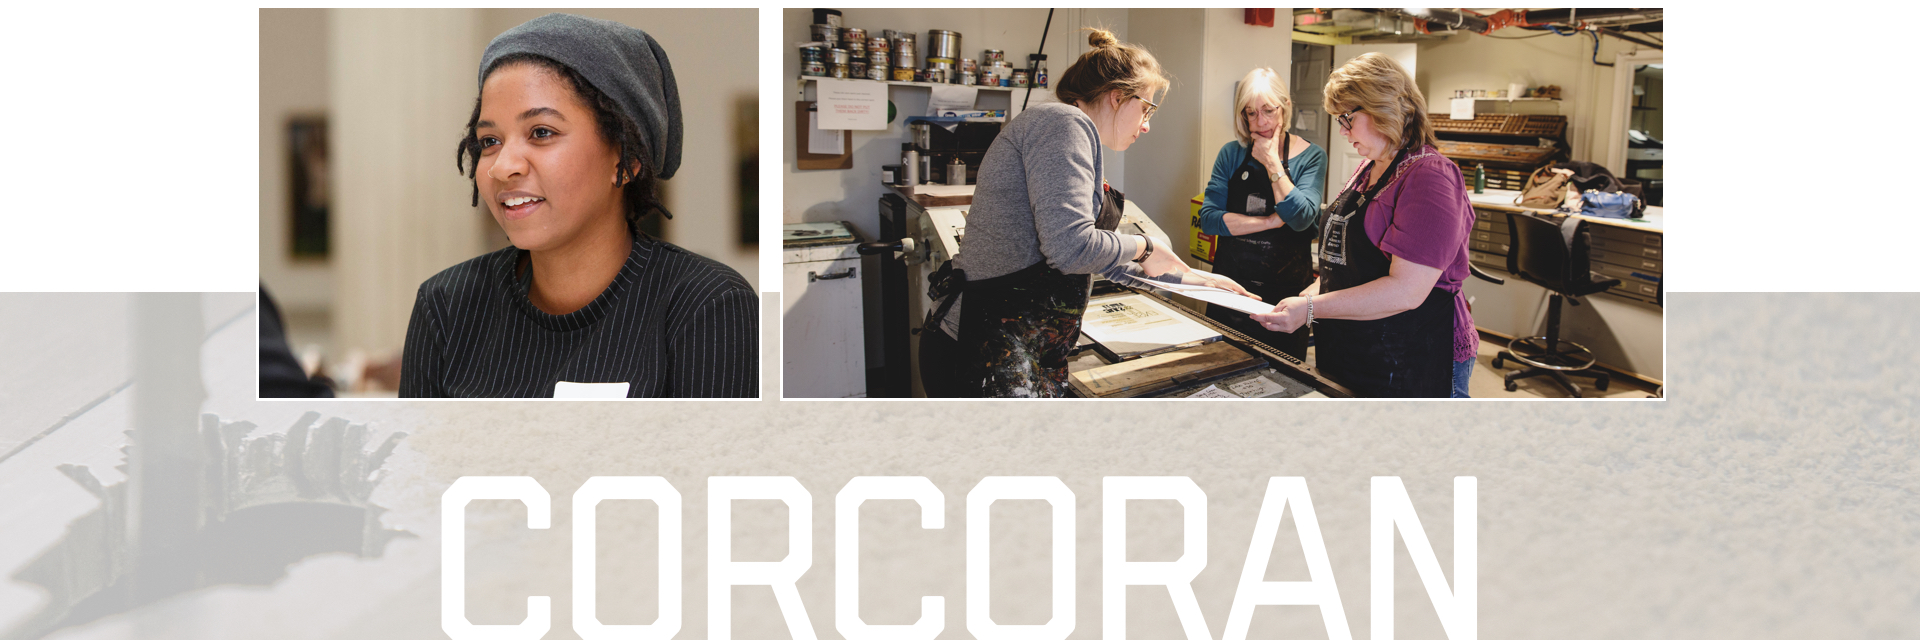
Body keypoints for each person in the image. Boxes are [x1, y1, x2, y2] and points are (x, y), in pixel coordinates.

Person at [400, 13, 757, 398]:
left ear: (625, 160)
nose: (502, 167)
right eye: (490, 141)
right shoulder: (446, 306)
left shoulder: (707, 306)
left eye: (541, 132)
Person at [917, 28, 1253, 398]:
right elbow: (1071, 247)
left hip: (1015, 348)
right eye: (1146, 108)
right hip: (979, 349)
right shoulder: (1062, 123)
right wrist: (1145, 247)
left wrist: (1189, 280)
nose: (1147, 124)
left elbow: (1093, 258)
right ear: (1117, 97)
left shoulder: (1071, 134)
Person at [1250, 53, 1475, 398]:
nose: (1342, 131)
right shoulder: (1369, 168)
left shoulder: (1429, 176)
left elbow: (1406, 290)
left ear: (1383, 107)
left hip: (1414, 354)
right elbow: (1346, 268)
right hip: (1358, 347)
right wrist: (1302, 299)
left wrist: (1310, 309)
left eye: (1347, 118)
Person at [1196, 68, 1327, 360]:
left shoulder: (1312, 156)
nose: (1261, 122)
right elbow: (1210, 219)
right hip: (1231, 291)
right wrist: (1270, 221)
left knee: (1282, 374)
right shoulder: (1231, 154)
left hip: (1286, 297)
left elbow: (1301, 219)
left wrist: (1271, 163)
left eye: (1269, 110)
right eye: (1251, 113)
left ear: (1285, 107)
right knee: (1222, 367)